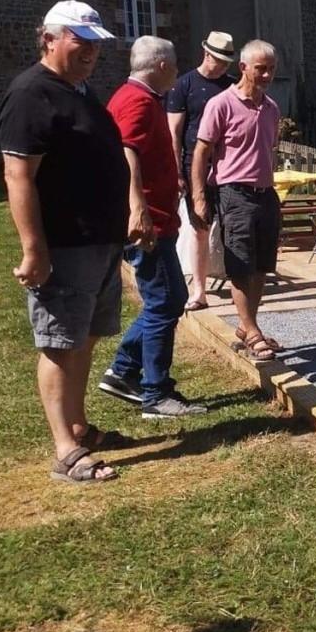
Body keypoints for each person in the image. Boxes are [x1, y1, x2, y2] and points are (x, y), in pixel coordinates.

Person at [0, 0, 134, 483]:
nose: (91, 49)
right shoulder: (31, 93)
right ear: (50, 38)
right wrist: (34, 248)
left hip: (99, 240)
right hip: (65, 244)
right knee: (58, 343)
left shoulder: (79, 90)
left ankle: (78, 426)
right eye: (81, 39)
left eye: (95, 41)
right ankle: (65, 450)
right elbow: (18, 176)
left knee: (84, 338)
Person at [98, 36, 208, 418]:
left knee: (168, 299)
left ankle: (125, 372)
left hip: (157, 219)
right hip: (150, 226)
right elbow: (127, 152)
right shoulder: (137, 102)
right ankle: (155, 393)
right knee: (165, 302)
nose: (178, 73)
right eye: (175, 65)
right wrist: (138, 209)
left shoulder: (140, 100)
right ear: (161, 66)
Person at [190, 40, 282, 361]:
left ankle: (249, 326)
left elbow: (269, 150)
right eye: (261, 69)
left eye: (271, 68)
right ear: (243, 68)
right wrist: (199, 195)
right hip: (234, 193)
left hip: (265, 194)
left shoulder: (271, 108)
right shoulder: (221, 104)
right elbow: (202, 152)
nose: (267, 74)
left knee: (260, 266)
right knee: (240, 265)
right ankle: (252, 330)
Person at [165, 32, 235, 311]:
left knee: (232, 228)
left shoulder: (232, 87)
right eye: (220, 60)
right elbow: (174, 132)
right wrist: (177, 170)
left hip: (227, 167)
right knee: (199, 228)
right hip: (194, 166)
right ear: (207, 54)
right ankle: (199, 290)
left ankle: (236, 281)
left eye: (228, 62)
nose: (224, 67)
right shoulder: (184, 86)